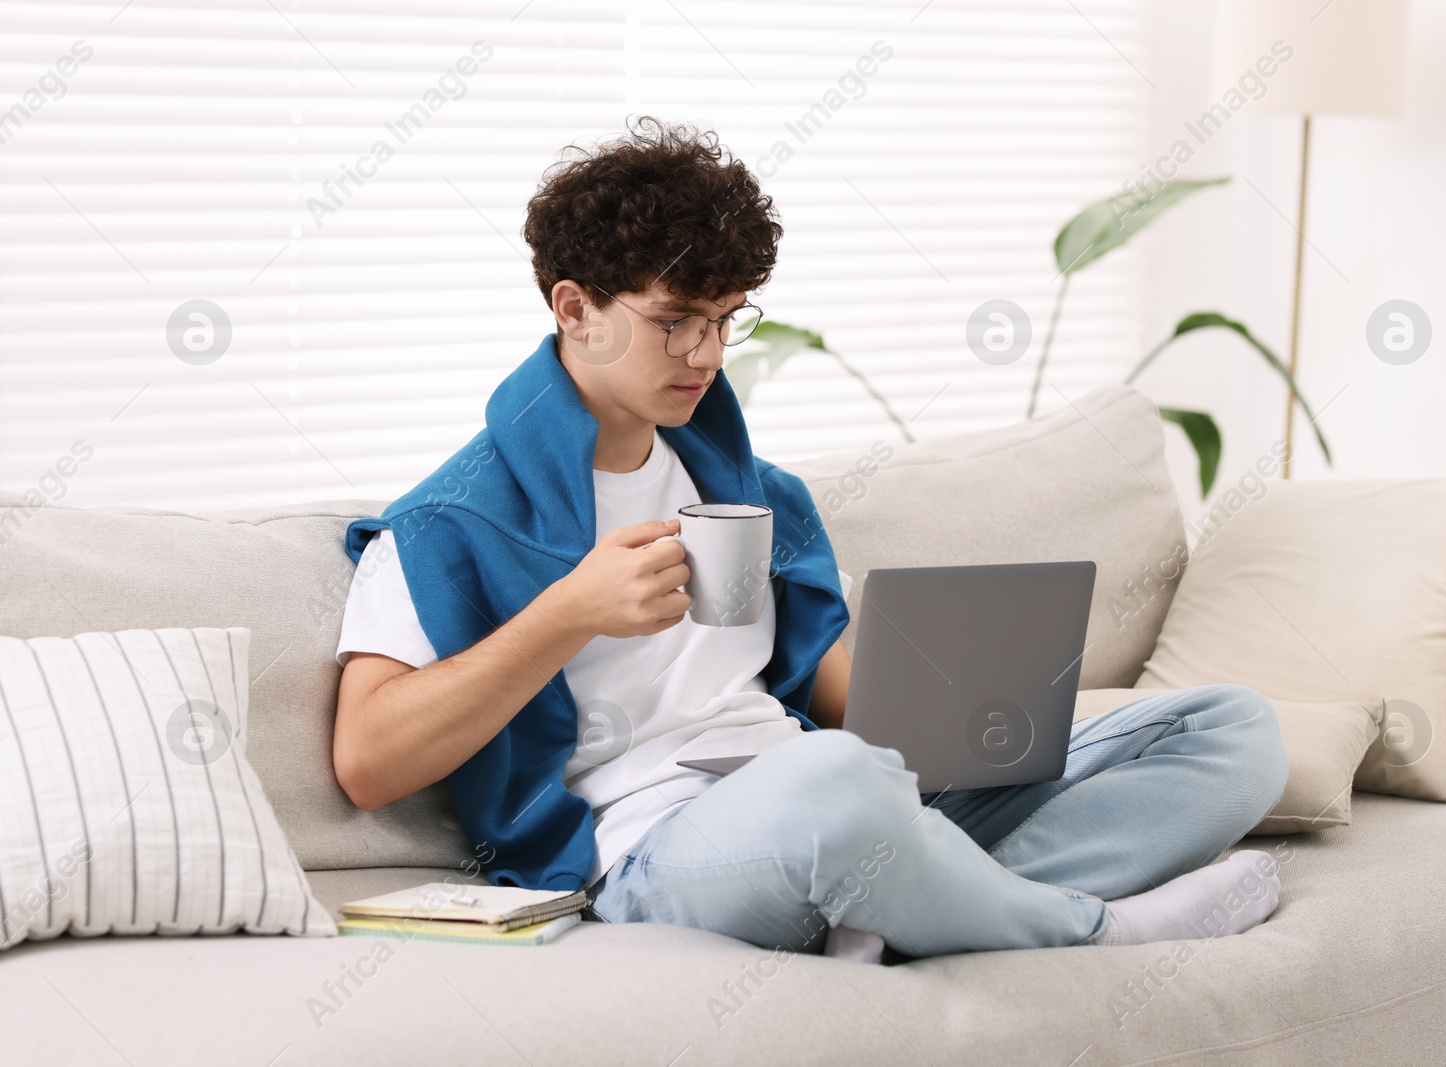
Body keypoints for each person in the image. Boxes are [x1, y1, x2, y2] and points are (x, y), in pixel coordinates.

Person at [332, 116, 1290, 963]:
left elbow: (844, 705)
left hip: (833, 793)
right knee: (836, 786)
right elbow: (368, 758)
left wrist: (956, 693)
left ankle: (916, 900)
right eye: (673, 323)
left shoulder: (750, 492)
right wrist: (568, 613)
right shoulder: (446, 522)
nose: (707, 356)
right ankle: (1087, 928)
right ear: (573, 307)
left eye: (722, 321)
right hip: (651, 846)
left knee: (1232, 731)